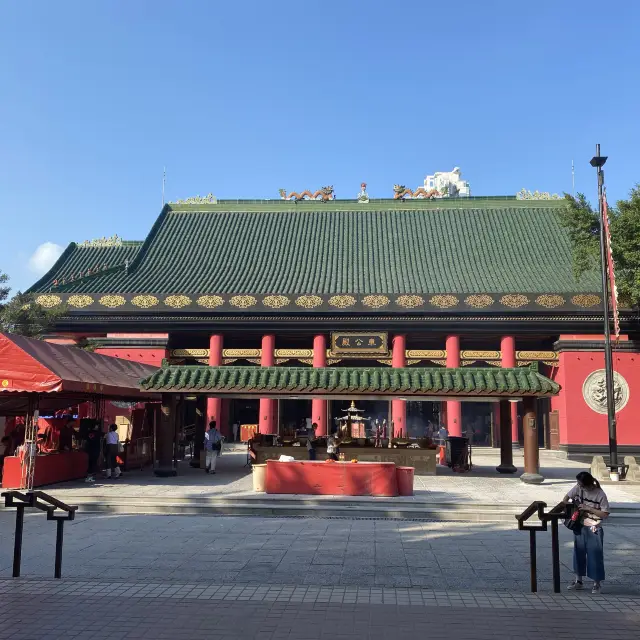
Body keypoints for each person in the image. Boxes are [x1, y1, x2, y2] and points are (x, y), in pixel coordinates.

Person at [563, 471, 610, 594]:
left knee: (595, 555)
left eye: (581, 484)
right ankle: (578, 581)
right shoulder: (578, 487)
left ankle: (597, 583)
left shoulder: (600, 494)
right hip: (579, 525)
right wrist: (571, 506)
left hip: (594, 527)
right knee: (578, 553)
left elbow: (605, 514)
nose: (578, 486)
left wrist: (588, 508)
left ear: (588, 484)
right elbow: (565, 498)